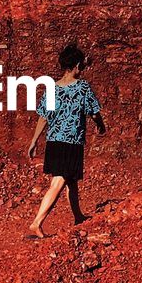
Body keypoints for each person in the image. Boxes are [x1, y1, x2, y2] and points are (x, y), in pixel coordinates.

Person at [25, 43, 105, 238]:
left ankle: (78, 216)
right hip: (71, 141)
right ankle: (37, 222)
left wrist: (34, 140)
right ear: (77, 65)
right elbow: (94, 112)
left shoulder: (53, 88)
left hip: (54, 141)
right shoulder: (82, 87)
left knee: (71, 180)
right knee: (58, 181)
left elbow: (43, 116)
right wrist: (101, 126)